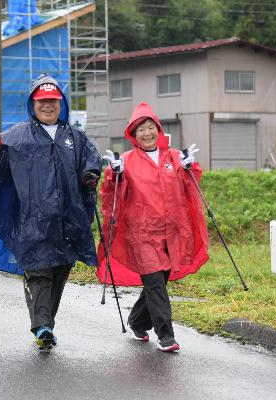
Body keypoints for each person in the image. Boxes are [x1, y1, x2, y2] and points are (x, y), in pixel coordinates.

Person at [0, 74, 102, 351]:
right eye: (42, 101)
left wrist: (90, 175)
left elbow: (90, 162)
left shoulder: (75, 137)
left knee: (59, 271)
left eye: (53, 101)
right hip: (31, 222)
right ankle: (41, 326)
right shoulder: (17, 136)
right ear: (32, 103)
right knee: (39, 272)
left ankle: (46, 323)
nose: (48, 106)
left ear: (61, 103)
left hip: (68, 222)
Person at [98, 102, 209, 352]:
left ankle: (137, 321)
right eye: (141, 130)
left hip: (173, 233)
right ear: (133, 136)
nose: (147, 133)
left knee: (158, 282)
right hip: (143, 234)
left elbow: (190, 184)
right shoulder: (126, 161)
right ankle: (166, 335)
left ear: (158, 130)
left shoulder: (173, 157)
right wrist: (114, 174)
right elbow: (111, 194)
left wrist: (191, 166)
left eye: (150, 128)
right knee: (156, 284)